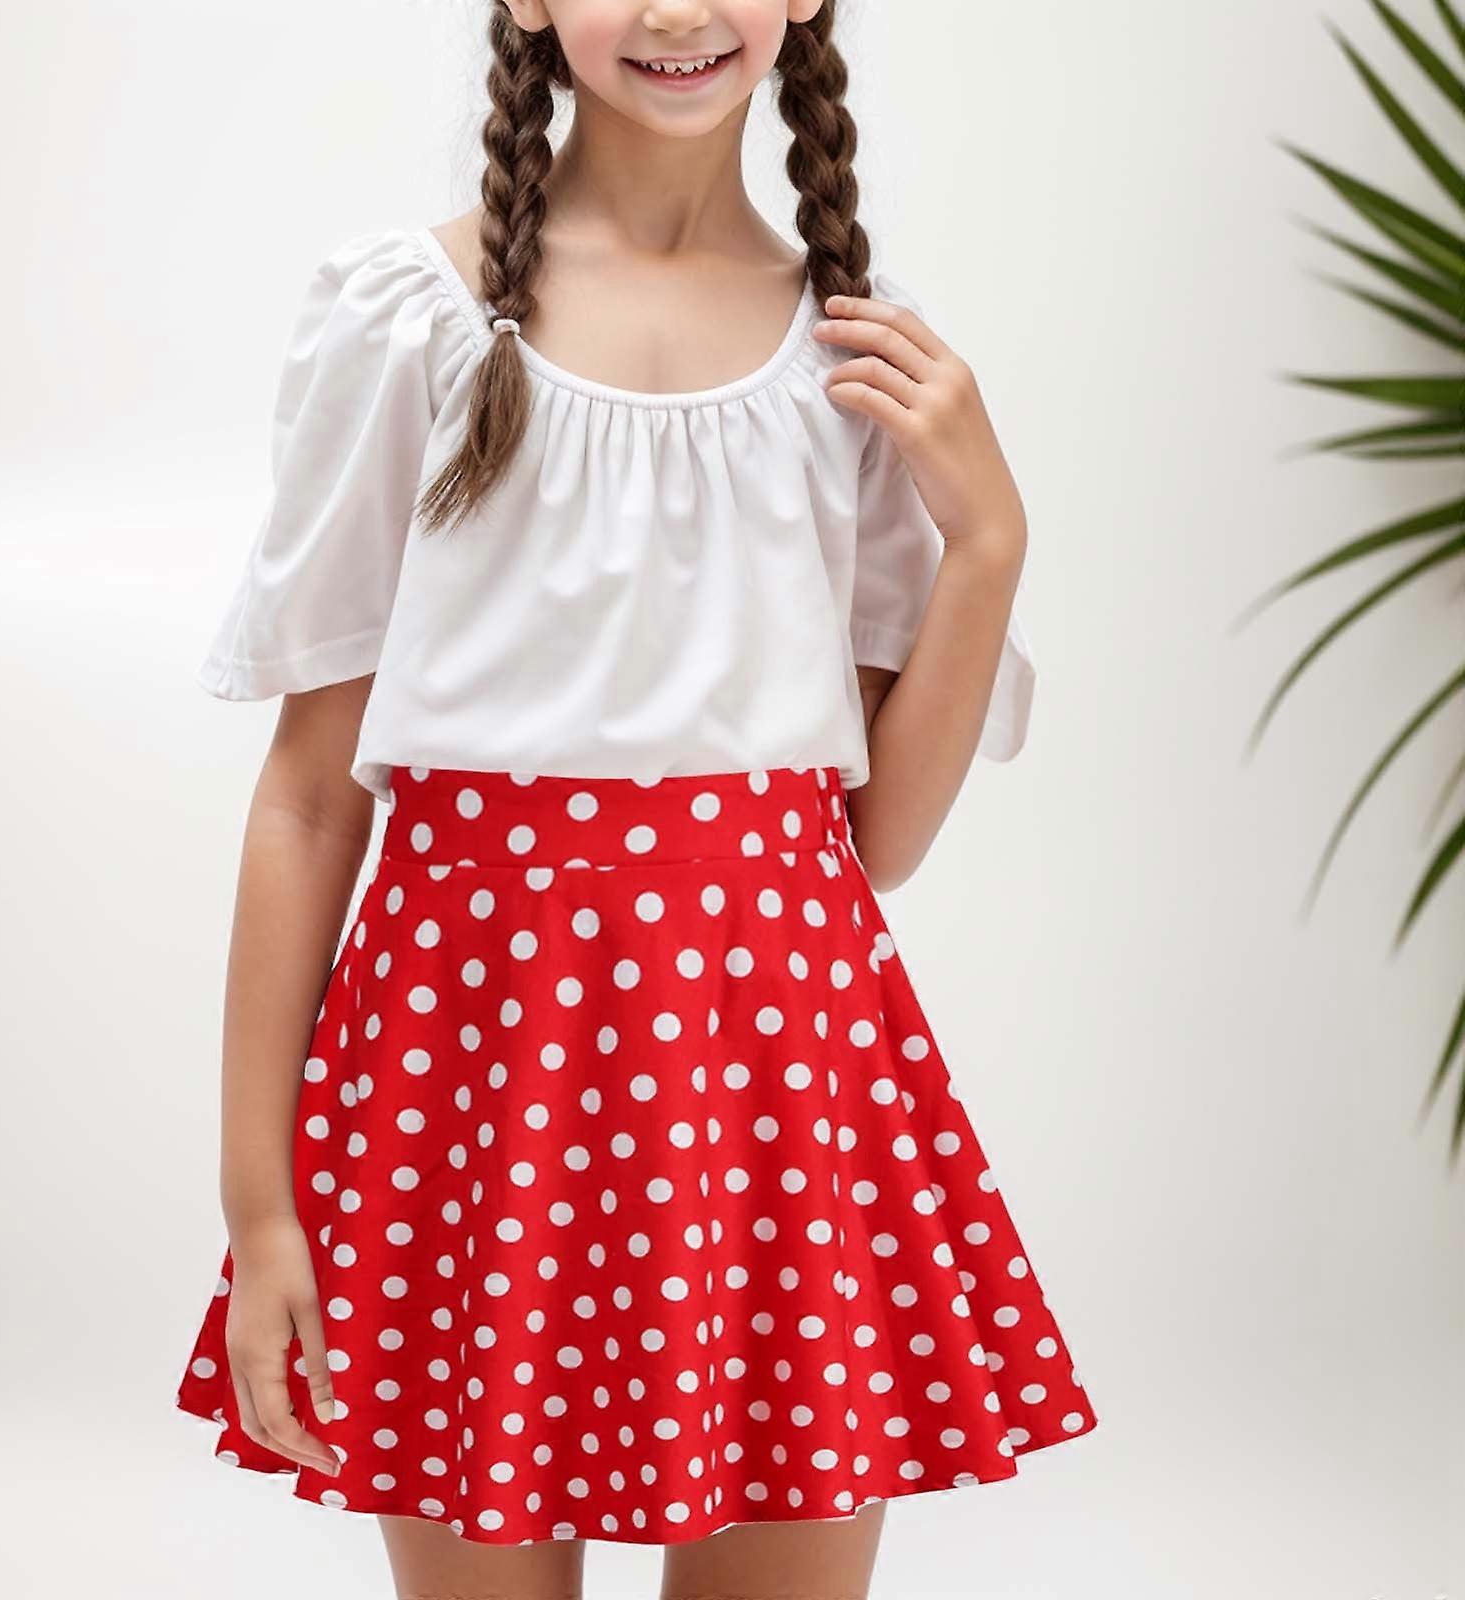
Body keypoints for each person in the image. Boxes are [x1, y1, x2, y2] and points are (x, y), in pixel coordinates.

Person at [173, 2, 1098, 1595]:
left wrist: (991, 546)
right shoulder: (412, 320)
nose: (675, 9)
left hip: (778, 1088)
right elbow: (312, 801)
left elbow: (871, 849)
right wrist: (262, 1207)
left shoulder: (866, 360)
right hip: (469, 1079)